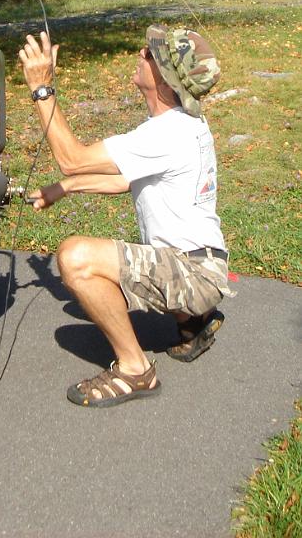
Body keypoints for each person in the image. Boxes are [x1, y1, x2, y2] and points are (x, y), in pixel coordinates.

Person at [18, 25, 234, 408]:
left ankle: (136, 370)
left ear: (165, 80)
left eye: (150, 54)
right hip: (204, 264)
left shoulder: (167, 134)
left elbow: (71, 157)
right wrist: (65, 188)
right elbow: (123, 178)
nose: (141, 53)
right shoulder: (183, 124)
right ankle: (192, 322)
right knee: (123, 267)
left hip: (192, 274)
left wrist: (41, 87)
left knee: (74, 258)